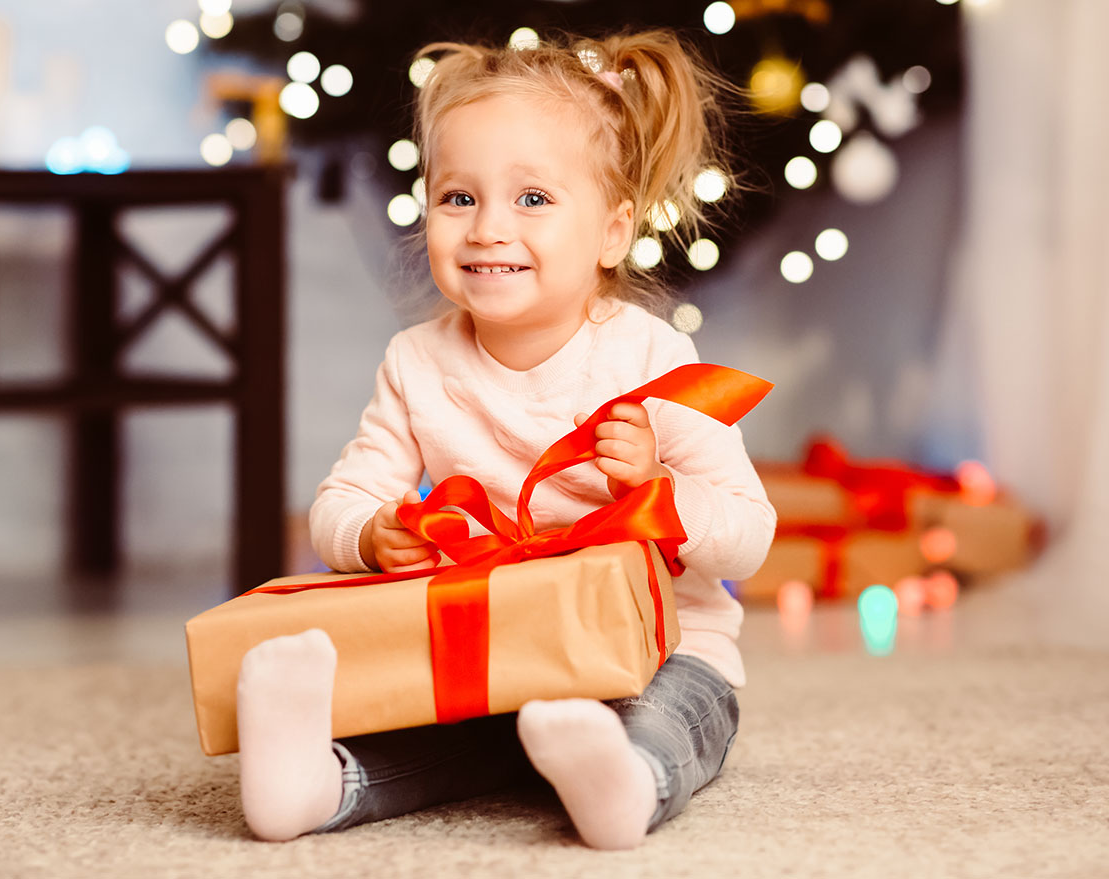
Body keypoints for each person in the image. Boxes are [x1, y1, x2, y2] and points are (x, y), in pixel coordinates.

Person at [235, 29, 776, 850]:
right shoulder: (417, 362)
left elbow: (749, 535)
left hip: (660, 652)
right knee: (428, 728)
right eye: (459, 198)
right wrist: (369, 534)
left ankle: (625, 781)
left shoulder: (650, 360)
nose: (486, 228)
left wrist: (655, 492)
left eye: (532, 199)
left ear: (611, 232)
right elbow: (339, 503)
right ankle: (317, 783)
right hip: (496, 656)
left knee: (676, 714)